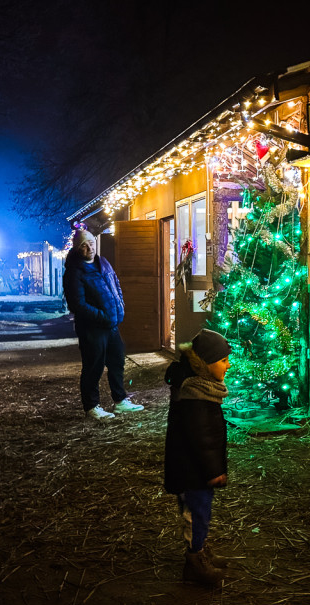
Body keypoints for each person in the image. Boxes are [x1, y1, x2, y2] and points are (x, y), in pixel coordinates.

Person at [163, 329, 232, 586]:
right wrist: (214, 471)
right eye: (223, 360)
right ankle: (195, 562)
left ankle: (201, 549)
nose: (228, 364)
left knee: (201, 513)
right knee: (196, 514)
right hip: (192, 471)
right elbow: (202, 439)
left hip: (195, 469)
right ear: (205, 363)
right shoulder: (195, 396)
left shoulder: (199, 387)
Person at [62, 228, 143, 420]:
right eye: (83, 245)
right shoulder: (74, 272)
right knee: (93, 366)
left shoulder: (103, 263)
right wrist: (102, 315)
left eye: (91, 243)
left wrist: (120, 306)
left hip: (111, 325)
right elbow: (78, 305)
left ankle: (120, 400)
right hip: (92, 329)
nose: (89, 247)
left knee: (117, 362)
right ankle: (92, 406)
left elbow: (116, 284)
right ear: (77, 248)